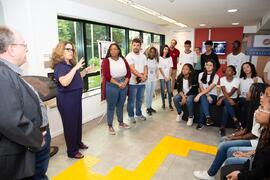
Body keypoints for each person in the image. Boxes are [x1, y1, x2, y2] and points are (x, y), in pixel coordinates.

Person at [193, 87, 270, 180]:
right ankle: (218, 167)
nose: (246, 93)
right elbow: (247, 130)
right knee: (224, 141)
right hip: (253, 145)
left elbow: (252, 136)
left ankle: (212, 173)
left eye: (261, 109)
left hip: (253, 142)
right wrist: (234, 136)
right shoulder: (263, 126)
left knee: (225, 147)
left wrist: (239, 175)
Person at [0, 26, 43, 179]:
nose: (27, 49)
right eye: (24, 45)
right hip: (15, 155)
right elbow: (11, 121)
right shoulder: (2, 74)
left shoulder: (10, 72)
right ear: (11, 49)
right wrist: (38, 139)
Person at [52, 41, 93, 159]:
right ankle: (72, 151)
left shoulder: (70, 65)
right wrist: (76, 68)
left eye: (72, 50)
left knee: (77, 123)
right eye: (68, 49)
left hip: (75, 98)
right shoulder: (60, 66)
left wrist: (85, 71)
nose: (71, 52)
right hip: (66, 100)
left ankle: (78, 143)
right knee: (70, 125)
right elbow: (64, 82)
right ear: (61, 51)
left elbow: (75, 77)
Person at [224, 99, 270, 180]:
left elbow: (258, 174)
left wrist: (239, 176)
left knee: (228, 158)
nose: (257, 111)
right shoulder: (264, 131)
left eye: (261, 108)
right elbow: (257, 155)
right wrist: (245, 155)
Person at [101, 43, 131, 135]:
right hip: (112, 85)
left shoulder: (123, 59)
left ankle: (121, 123)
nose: (113, 51)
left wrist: (125, 83)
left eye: (115, 49)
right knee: (111, 106)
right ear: (109, 51)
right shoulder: (106, 61)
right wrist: (118, 84)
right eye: (111, 49)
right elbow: (106, 76)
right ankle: (110, 126)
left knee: (121, 105)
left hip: (123, 84)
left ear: (119, 50)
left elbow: (128, 73)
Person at [126, 38, 148, 123]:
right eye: (134, 45)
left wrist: (145, 76)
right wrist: (142, 76)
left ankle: (138, 114)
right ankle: (131, 116)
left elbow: (146, 67)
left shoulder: (143, 56)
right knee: (131, 100)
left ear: (140, 46)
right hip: (132, 83)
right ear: (132, 45)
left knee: (139, 99)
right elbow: (132, 69)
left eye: (138, 45)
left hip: (142, 83)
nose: (136, 47)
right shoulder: (129, 56)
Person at [216, 65, 241, 137]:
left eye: (229, 70)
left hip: (232, 98)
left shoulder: (237, 80)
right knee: (227, 102)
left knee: (226, 108)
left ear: (233, 72)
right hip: (223, 96)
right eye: (226, 70)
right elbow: (223, 91)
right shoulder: (222, 79)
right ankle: (235, 119)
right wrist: (222, 99)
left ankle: (222, 127)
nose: (227, 71)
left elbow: (231, 93)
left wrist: (223, 99)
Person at [194, 59, 219, 129]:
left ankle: (201, 122)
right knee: (203, 98)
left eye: (210, 65)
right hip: (204, 95)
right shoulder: (200, 74)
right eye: (207, 65)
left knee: (202, 97)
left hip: (213, 96)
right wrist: (207, 95)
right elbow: (201, 87)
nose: (208, 66)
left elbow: (209, 89)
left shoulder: (216, 76)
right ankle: (208, 118)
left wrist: (199, 95)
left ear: (213, 67)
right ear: (205, 65)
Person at [238, 62, 263, 127]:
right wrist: (238, 90)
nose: (246, 69)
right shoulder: (241, 79)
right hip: (242, 98)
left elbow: (261, 92)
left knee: (248, 105)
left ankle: (243, 126)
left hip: (253, 99)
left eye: (247, 67)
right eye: (244, 68)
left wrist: (255, 83)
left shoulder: (258, 79)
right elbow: (238, 91)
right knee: (245, 103)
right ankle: (244, 127)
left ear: (251, 67)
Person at [145, 46, 159, 115]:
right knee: (148, 94)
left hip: (154, 79)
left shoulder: (155, 59)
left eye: (154, 52)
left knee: (151, 94)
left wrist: (157, 76)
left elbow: (156, 69)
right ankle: (147, 108)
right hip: (148, 79)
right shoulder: (146, 59)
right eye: (151, 51)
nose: (152, 53)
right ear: (148, 52)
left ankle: (150, 106)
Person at [159, 45, 174, 111]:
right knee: (162, 91)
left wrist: (168, 76)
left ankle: (170, 104)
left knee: (169, 91)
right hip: (162, 76)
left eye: (167, 49)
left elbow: (171, 67)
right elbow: (160, 68)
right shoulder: (159, 58)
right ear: (162, 49)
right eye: (165, 49)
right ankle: (163, 104)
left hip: (168, 76)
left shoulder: (170, 57)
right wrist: (164, 77)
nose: (166, 50)